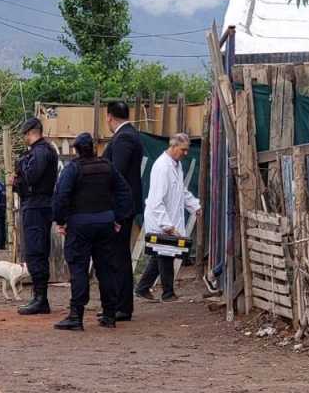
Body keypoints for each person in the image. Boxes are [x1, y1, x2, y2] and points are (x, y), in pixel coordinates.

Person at [51, 133, 133, 331]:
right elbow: (125, 192)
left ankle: (76, 316)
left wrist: (61, 221)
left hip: (79, 225)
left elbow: (61, 196)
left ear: (76, 150)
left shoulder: (73, 169)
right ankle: (109, 315)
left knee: (78, 269)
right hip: (105, 223)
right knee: (106, 269)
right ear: (94, 147)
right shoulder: (107, 166)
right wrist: (118, 217)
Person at [135, 133, 201, 302]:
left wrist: (195, 206)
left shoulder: (175, 165)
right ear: (173, 146)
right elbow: (156, 201)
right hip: (160, 219)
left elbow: (181, 191)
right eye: (183, 150)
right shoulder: (163, 167)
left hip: (168, 217)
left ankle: (142, 288)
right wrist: (167, 225)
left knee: (162, 254)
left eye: (187, 150)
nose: (185, 153)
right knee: (165, 254)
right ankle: (168, 293)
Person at [100, 101, 145, 322]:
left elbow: (115, 173)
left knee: (118, 256)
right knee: (117, 254)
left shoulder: (125, 137)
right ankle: (117, 304)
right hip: (123, 205)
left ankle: (122, 306)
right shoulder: (129, 135)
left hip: (120, 207)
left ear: (109, 117)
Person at [13, 117, 59, 315]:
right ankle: (38, 297)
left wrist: (21, 166)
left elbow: (32, 176)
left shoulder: (40, 152)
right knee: (35, 249)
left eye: (25, 134)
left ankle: (41, 299)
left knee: (36, 250)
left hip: (37, 205)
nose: (24, 138)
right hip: (35, 204)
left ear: (31, 132)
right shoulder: (43, 151)